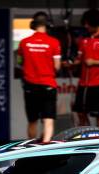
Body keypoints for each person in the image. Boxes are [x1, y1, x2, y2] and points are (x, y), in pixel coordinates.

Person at [17, 12, 61, 142]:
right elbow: (57, 66)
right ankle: (45, 147)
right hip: (48, 85)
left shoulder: (24, 43)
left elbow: (19, 62)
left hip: (30, 86)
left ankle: (31, 148)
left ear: (33, 25)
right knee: (48, 120)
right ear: (47, 25)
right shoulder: (54, 42)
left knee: (32, 121)